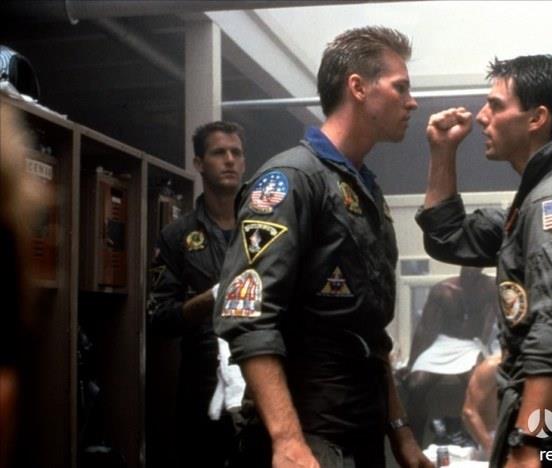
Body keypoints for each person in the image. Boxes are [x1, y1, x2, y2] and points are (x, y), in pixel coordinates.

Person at [214, 26, 432, 467]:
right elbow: (249, 317)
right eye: (401, 87)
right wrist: (288, 441)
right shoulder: (292, 180)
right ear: (358, 87)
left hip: (360, 429)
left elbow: (371, 335)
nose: (411, 102)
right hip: (309, 435)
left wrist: (401, 433)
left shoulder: (362, 188)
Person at [415, 55, 552, 467]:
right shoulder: (536, 200)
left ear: (537, 119)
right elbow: (447, 237)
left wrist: (529, 443)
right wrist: (442, 151)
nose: (481, 117)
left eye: (495, 105)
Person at [147, 120, 246, 468]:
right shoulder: (177, 236)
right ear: (199, 163)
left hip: (261, 379)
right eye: (219, 153)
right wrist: (209, 300)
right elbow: (158, 318)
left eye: (236, 152)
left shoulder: (267, 228)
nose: (230, 160)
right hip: (202, 387)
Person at [404, 266, 497, 446]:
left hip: (471, 344)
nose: (470, 270)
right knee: (416, 385)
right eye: (466, 266)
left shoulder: (489, 287)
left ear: (481, 268)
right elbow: (424, 328)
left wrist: (492, 349)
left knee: (477, 384)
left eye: (475, 266)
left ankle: (474, 439)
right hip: (443, 343)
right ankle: (415, 444)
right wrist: (411, 364)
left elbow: (500, 317)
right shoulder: (443, 290)